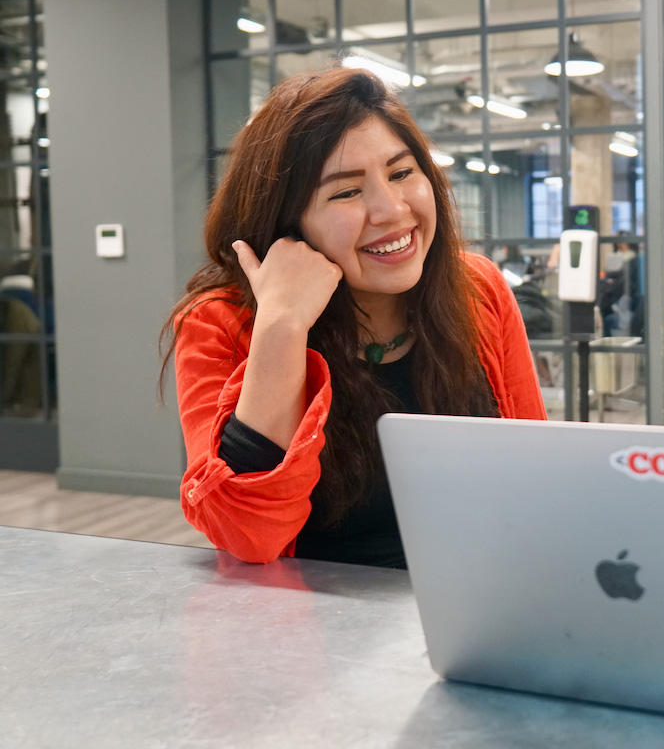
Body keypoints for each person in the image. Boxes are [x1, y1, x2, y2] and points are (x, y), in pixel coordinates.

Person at [162, 67, 546, 568]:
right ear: (287, 226)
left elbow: (536, 476)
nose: (390, 209)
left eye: (403, 172)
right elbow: (246, 535)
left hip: (477, 598)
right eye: (345, 192)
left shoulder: (478, 288)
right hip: (323, 624)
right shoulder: (219, 323)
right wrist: (281, 326)